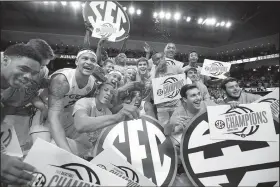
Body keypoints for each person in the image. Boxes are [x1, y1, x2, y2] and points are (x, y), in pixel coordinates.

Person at [34, 49, 98, 155]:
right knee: (42, 150)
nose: (89, 62)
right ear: (77, 62)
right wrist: (67, 152)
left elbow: (80, 107)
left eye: (93, 60)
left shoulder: (92, 85)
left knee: (88, 146)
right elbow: (53, 116)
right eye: (85, 58)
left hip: (62, 110)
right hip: (42, 108)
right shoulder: (62, 80)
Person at [2, 39, 55, 155]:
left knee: (17, 153)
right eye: (25, 68)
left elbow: (32, 92)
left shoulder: (42, 71)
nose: (40, 68)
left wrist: (42, 106)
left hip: (21, 116)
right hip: (7, 113)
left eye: (43, 65)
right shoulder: (8, 65)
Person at [1, 43, 43, 186]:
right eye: (24, 69)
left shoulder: (12, 90)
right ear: (5, 60)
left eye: (33, 74)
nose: (28, 77)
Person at [72, 82, 141, 157]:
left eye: (111, 93)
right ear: (97, 91)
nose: (108, 94)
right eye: (105, 90)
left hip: (89, 153)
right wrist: (116, 117)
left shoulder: (108, 112)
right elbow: (81, 125)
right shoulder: (85, 102)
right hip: (71, 146)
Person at [150, 52, 184, 128]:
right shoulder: (153, 72)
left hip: (176, 105)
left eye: (162, 58)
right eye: (157, 59)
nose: (160, 60)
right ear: (154, 62)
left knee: (178, 128)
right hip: (162, 107)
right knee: (164, 129)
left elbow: (183, 76)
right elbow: (152, 89)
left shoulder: (175, 67)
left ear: (165, 58)